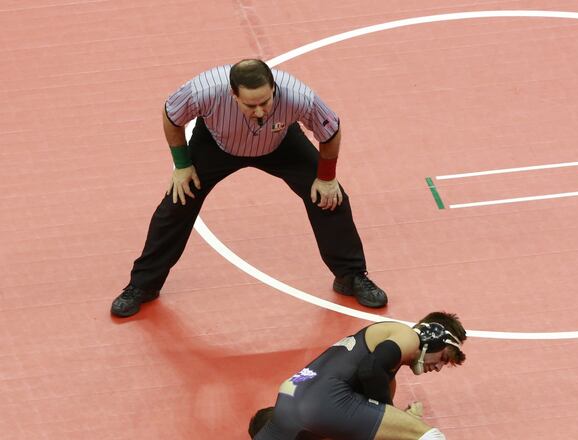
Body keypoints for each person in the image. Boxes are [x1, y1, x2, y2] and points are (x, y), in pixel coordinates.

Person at [111, 59, 388, 317]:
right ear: (233, 95)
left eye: (266, 102)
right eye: (250, 105)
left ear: (274, 89)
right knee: (176, 204)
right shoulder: (203, 91)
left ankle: (350, 277)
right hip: (217, 144)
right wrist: (182, 165)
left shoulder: (297, 96)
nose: (260, 111)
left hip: (280, 143)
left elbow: (331, 131)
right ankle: (143, 285)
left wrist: (326, 178)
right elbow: (171, 116)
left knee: (331, 198)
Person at [248, 312, 467, 440]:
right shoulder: (407, 336)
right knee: (430, 437)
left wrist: (397, 421)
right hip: (323, 402)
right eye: (444, 358)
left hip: (290, 395)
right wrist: (402, 421)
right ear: (433, 335)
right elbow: (371, 368)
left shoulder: (385, 373)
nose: (438, 367)